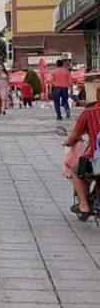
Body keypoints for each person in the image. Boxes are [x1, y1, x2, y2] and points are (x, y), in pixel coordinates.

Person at [65, 87, 100, 220]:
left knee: (75, 170)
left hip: (95, 158)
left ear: (97, 96)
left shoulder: (90, 111)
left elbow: (76, 133)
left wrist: (68, 142)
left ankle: (84, 205)